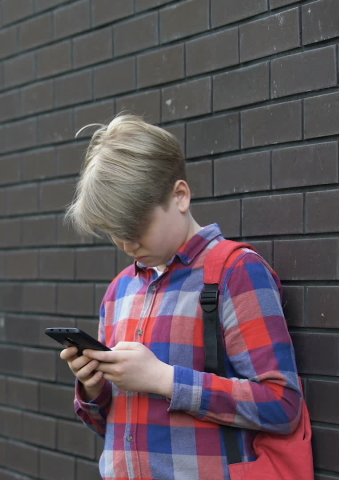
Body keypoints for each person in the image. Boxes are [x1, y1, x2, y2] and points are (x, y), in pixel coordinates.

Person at [60, 114, 304, 480]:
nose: (128, 245)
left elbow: (283, 406)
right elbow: (115, 433)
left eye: (137, 228)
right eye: (116, 233)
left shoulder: (234, 272)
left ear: (180, 196)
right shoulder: (119, 291)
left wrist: (164, 379)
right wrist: (94, 389)